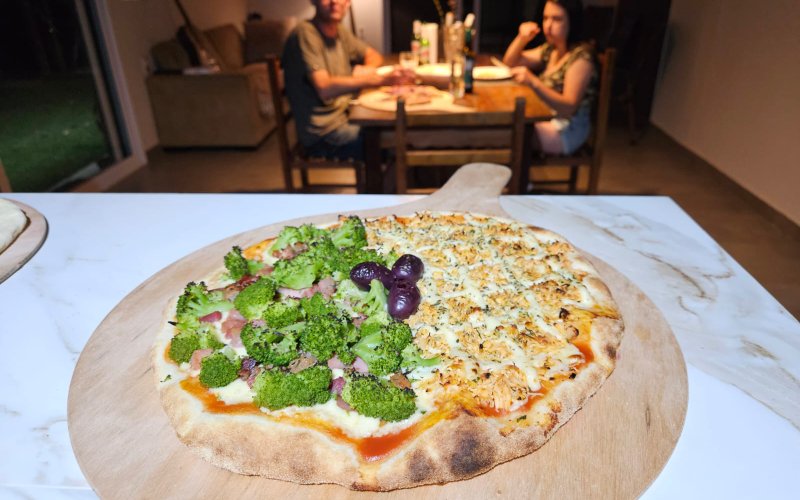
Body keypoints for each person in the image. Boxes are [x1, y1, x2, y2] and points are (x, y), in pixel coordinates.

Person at [282, 0, 412, 161]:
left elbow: (373, 55)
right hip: (323, 134)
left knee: (403, 135)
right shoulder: (305, 34)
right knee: (399, 145)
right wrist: (377, 80)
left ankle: (389, 183)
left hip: (345, 116)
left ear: (348, 3)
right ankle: (379, 185)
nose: (334, 2)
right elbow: (324, 88)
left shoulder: (339, 31)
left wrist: (366, 69)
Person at [503, 0, 596, 155]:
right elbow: (510, 63)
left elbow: (568, 107)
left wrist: (533, 82)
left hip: (567, 130)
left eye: (557, 19)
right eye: (545, 18)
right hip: (544, 119)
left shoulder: (581, 57)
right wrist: (522, 38)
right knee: (504, 127)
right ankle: (518, 178)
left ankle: (520, 179)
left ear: (572, 21)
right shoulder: (551, 49)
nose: (548, 25)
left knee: (509, 133)